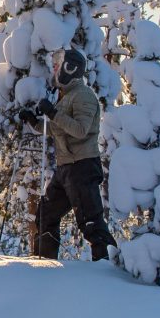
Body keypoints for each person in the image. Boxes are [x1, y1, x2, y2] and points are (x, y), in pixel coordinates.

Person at [19, 48, 117, 261]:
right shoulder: (66, 97)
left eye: (58, 65)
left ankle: (107, 271)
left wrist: (53, 113)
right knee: (46, 213)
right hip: (66, 168)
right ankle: (44, 263)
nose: (54, 69)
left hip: (82, 166)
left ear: (70, 68)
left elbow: (80, 130)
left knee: (90, 220)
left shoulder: (83, 96)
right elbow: (56, 128)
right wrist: (33, 121)